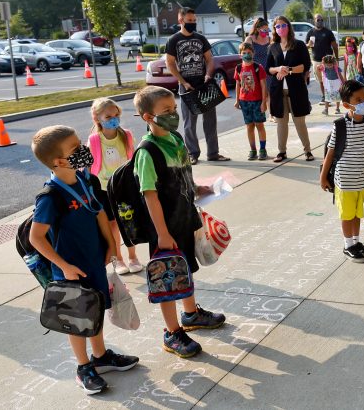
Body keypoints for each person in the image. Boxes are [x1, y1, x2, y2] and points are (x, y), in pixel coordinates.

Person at [29, 125, 139, 394]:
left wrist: (111, 244)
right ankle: (83, 366)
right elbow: (36, 238)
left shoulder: (84, 180)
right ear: (58, 162)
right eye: (75, 149)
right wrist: (64, 266)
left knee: (96, 310)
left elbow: (99, 213)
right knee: (77, 319)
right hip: (70, 271)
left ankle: (100, 357)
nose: (83, 151)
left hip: (93, 261)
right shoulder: (50, 197)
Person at [133, 85, 226, 359]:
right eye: (166, 111)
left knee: (186, 270)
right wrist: (161, 233)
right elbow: (149, 196)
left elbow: (183, 175)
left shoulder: (175, 139)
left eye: (174, 109)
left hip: (185, 218)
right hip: (165, 228)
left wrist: (198, 189)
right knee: (168, 280)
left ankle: (191, 314)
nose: (173, 115)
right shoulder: (147, 152)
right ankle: (172, 332)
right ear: (147, 117)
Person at [320, 80, 364, 262]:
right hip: (345, 180)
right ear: (347, 104)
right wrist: (323, 177)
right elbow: (330, 154)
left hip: (363, 178)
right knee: (347, 215)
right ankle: (348, 245)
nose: (363, 102)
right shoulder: (340, 125)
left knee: (357, 213)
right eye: (358, 99)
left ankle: (356, 242)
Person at [165, 7, 230, 165]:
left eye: (194, 20)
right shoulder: (173, 40)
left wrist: (208, 75)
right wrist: (183, 82)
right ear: (181, 21)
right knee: (189, 123)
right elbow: (170, 64)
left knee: (210, 121)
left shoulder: (201, 38)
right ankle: (193, 154)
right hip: (187, 87)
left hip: (204, 85)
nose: (193, 23)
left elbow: (210, 59)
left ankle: (213, 153)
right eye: (190, 21)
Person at [87, 98, 142, 274]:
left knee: (129, 221)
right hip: (104, 189)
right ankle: (119, 259)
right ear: (97, 118)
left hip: (124, 186)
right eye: (108, 116)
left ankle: (133, 256)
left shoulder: (126, 135)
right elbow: (89, 167)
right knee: (113, 225)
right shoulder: (95, 140)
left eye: (116, 114)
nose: (114, 118)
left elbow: (132, 158)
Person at [267, 15, 314, 163]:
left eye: (283, 25)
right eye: (278, 26)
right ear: (274, 29)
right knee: (281, 123)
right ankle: (282, 152)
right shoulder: (272, 47)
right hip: (278, 91)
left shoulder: (298, 45)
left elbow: (305, 65)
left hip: (296, 90)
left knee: (299, 121)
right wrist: (278, 69)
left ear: (288, 27)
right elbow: (269, 68)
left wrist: (288, 69)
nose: (281, 28)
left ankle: (307, 150)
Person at [233, 42, 268, 160]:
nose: (247, 55)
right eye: (244, 53)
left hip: (257, 100)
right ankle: (253, 149)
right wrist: (237, 100)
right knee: (249, 126)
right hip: (244, 101)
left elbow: (263, 86)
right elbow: (237, 85)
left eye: (249, 53)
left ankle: (262, 149)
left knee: (259, 125)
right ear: (240, 55)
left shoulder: (258, 67)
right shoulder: (238, 68)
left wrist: (264, 102)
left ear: (253, 53)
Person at [305, 13, 339, 105]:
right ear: (314, 21)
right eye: (318, 20)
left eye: (321, 20)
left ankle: (333, 97)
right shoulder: (310, 32)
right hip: (316, 60)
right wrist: (309, 44)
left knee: (330, 79)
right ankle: (325, 97)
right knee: (321, 80)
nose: (320, 21)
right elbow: (306, 46)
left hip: (328, 61)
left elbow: (334, 46)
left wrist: (336, 58)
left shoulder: (328, 32)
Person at [244, 18, 271, 116]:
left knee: (269, 93)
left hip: (268, 70)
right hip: (255, 70)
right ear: (257, 29)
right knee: (256, 93)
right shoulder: (250, 39)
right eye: (264, 29)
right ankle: (258, 113)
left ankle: (272, 115)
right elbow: (246, 55)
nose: (266, 32)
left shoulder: (269, 39)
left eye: (267, 29)